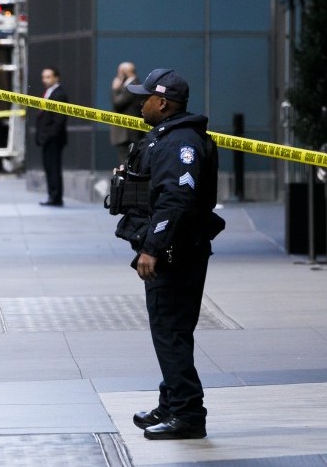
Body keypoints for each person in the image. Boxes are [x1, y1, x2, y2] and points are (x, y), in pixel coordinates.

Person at [109, 68, 225, 440]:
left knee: (170, 331)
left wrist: (152, 248)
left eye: (145, 98)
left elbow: (176, 199)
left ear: (163, 103)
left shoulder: (181, 142)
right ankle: (172, 402)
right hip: (175, 249)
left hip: (175, 252)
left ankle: (188, 414)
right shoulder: (168, 137)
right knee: (171, 331)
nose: (140, 103)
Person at [35, 66, 68, 206]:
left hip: (53, 139)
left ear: (56, 77)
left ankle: (55, 197)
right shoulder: (48, 92)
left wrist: (49, 136)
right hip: (47, 139)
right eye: (43, 77)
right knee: (49, 168)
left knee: (53, 168)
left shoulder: (59, 94)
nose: (45, 80)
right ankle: (52, 195)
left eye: (48, 77)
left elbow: (59, 120)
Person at [110, 61, 144, 163]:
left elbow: (117, 103)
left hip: (127, 133)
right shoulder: (131, 85)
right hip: (127, 133)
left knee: (127, 162)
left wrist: (115, 89)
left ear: (123, 72)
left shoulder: (132, 86)